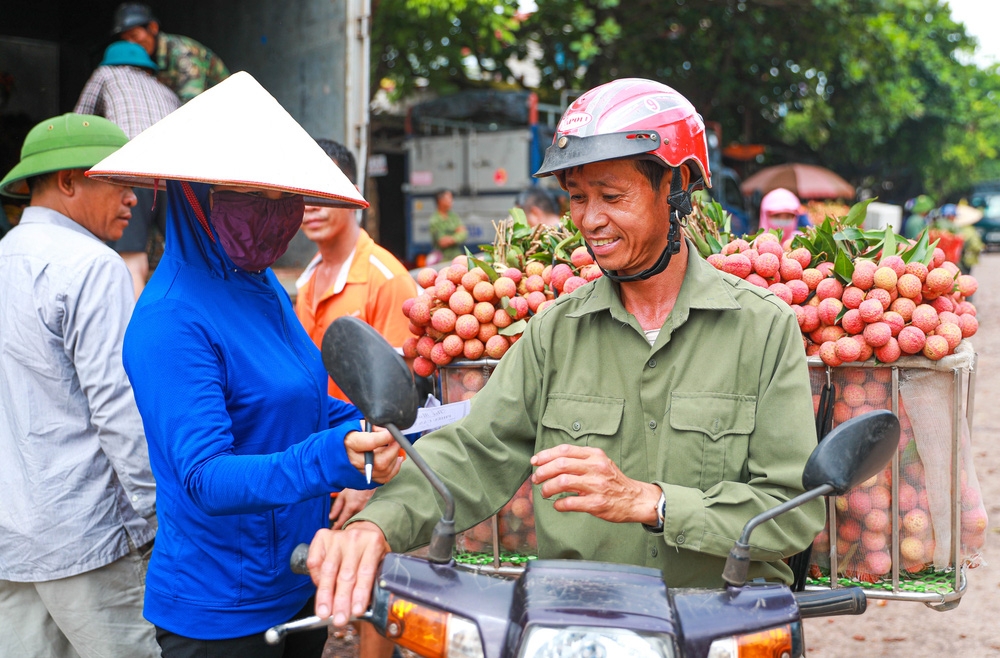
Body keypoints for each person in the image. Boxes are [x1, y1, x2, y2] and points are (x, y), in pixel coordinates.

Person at [304, 78, 827, 627]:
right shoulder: (555, 333)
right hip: (581, 626)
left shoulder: (764, 329)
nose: (589, 220)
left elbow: (792, 512)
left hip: (719, 628)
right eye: (577, 198)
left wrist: (652, 502)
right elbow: (474, 452)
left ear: (674, 187)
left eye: (612, 195)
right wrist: (375, 525)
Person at [86, 72, 401, 657]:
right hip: (218, 609)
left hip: (296, 575)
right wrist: (332, 457)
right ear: (191, 196)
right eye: (253, 196)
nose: (276, 214)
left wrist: (363, 428)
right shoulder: (169, 321)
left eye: (285, 197)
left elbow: (305, 400)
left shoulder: (264, 288)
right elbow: (206, 477)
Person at [0, 113, 158, 657]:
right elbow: (118, 407)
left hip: (11, 538)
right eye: (119, 183)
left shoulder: (3, 259)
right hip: (86, 536)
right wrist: (159, 510)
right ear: (68, 181)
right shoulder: (93, 265)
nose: (134, 199)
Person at [293, 138, 415, 658]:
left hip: (375, 462)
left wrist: (368, 484)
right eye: (301, 198)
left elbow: (399, 397)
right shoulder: (305, 281)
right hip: (326, 455)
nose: (311, 210)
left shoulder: (385, 279)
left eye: (323, 195)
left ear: (354, 197)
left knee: (378, 584)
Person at [75, 40, 181, 298]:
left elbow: (80, 123)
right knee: (185, 253)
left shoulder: (105, 74)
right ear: (147, 68)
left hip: (136, 166)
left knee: (132, 261)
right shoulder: (166, 91)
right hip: (178, 173)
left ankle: (133, 334)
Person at [112, 2, 229, 104]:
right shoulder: (140, 60)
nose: (131, 44)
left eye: (134, 36)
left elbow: (192, 103)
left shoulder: (182, 53)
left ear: (153, 28)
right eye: (125, 40)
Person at [428, 188, 467, 261]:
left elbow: (464, 233)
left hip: (457, 257)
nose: (452, 201)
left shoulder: (453, 216)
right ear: (440, 201)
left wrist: (451, 238)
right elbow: (442, 242)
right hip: (442, 260)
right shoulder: (435, 220)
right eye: (449, 198)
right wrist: (457, 235)